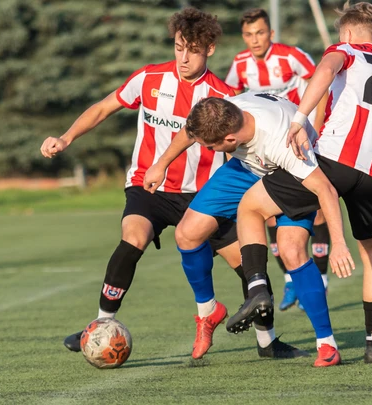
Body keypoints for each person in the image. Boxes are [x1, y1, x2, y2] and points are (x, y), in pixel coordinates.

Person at [40, 8, 242, 359]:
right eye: (179, 47)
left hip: (201, 194)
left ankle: (269, 340)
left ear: (209, 49)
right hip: (147, 188)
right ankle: (101, 323)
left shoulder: (223, 95)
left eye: (192, 50)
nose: (183, 57)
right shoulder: (149, 79)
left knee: (245, 261)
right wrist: (66, 137)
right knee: (133, 238)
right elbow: (103, 108)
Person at [230, 1, 372, 364]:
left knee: (251, 206)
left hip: (334, 160)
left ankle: (259, 288)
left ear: (347, 33)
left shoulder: (344, 49)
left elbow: (325, 70)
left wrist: (299, 119)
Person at [147, 92, 352, 367]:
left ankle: (326, 344)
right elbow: (191, 130)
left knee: (291, 251)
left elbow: (325, 189)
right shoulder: (225, 110)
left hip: (292, 177)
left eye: (211, 147)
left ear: (230, 140)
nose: (208, 150)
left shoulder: (285, 143)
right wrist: (161, 164)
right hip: (247, 168)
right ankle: (209, 311)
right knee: (187, 233)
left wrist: (338, 242)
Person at [225, 8, 331, 311]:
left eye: (260, 33)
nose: (254, 39)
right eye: (248, 34)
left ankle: (320, 280)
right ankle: (288, 281)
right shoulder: (240, 64)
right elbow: (231, 101)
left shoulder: (290, 56)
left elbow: (320, 88)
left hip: (299, 140)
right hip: (267, 146)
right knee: (269, 213)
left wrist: (317, 126)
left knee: (319, 209)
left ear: (270, 33)